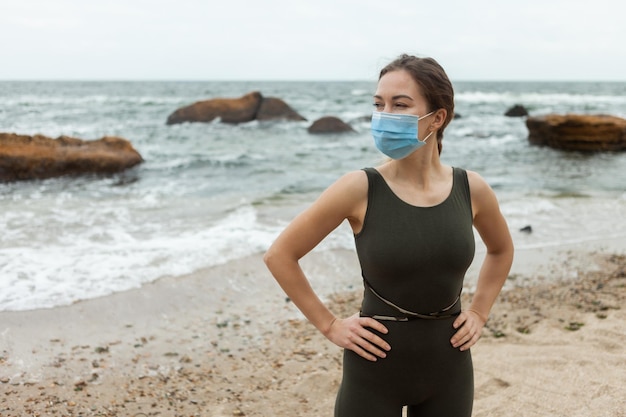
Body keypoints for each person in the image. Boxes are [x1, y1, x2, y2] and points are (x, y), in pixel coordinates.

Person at [263, 54, 514, 417]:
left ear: (437, 117)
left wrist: (479, 311)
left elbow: (502, 250)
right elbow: (280, 255)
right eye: (379, 105)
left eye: (400, 105)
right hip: (373, 375)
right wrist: (330, 325)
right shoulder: (359, 188)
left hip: (451, 371)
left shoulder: (471, 188)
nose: (384, 116)